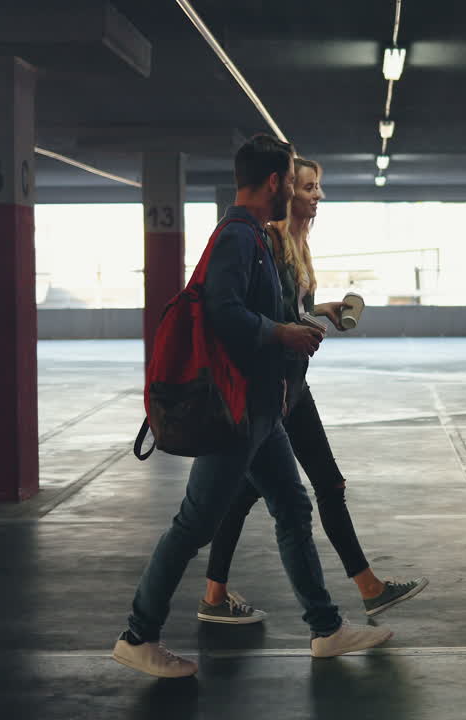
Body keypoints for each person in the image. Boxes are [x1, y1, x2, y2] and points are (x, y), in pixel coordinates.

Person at [112, 135, 393, 679]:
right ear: (275, 182)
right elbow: (223, 313)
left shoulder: (256, 238)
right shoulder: (238, 237)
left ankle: (326, 628)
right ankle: (138, 635)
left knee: (292, 506)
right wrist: (281, 333)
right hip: (236, 415)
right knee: (193, 525)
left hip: (264, 415)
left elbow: (259, 308)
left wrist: (295, 321)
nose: (295, 187)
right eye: (293, 179)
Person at [197, 157, 428, 626]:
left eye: (319, 186)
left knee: (254, 494)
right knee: (314, 487)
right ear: (287, 191)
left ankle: (216, 597)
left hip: (294, 385)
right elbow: (271, 315)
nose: (317, 194)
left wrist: (320, 309)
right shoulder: (274, 240)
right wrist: (299, 323)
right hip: (278, 388)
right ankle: (363, 591)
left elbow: (291, 308)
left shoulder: (301, 243)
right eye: (309, 186)